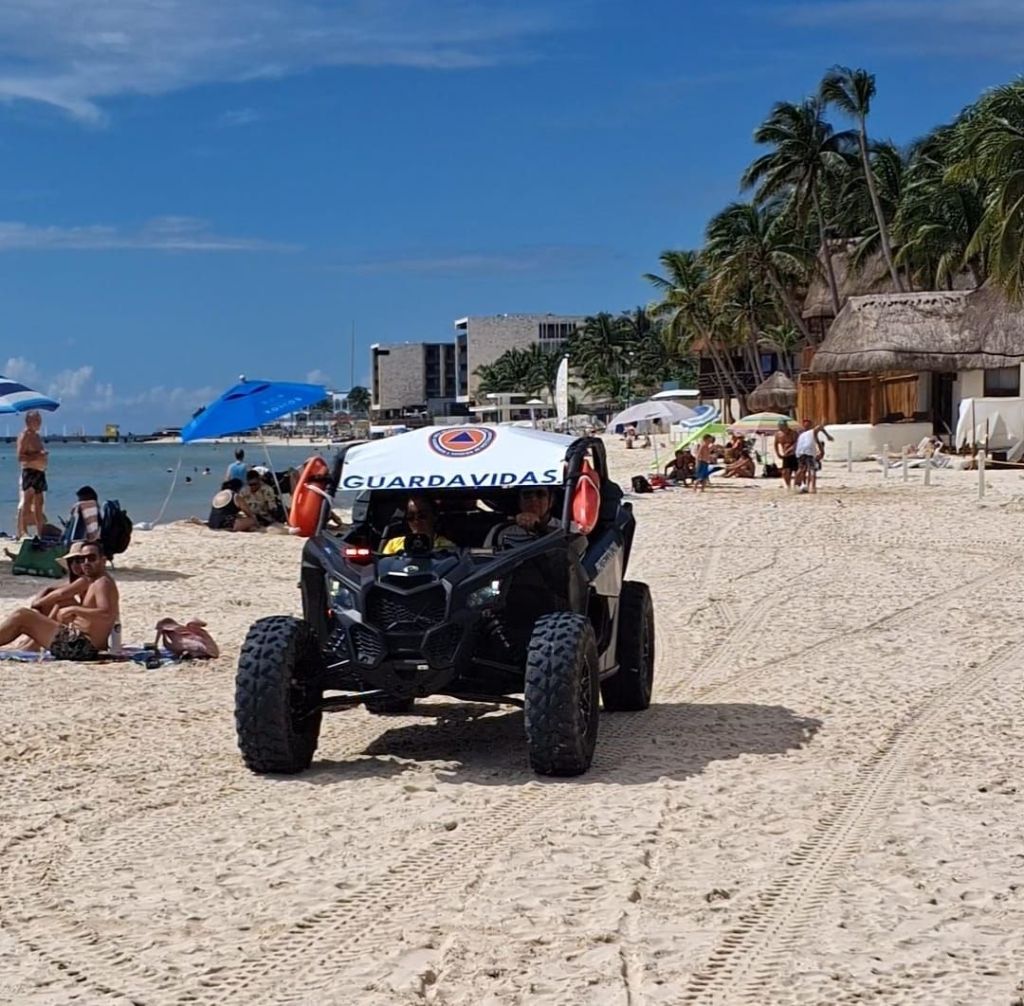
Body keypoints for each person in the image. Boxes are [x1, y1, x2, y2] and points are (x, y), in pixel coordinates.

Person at [0, 540, 119, 660]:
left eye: (92, 558)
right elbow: (59, 591)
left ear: (103, 560)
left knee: (22, 615)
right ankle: (30, 645)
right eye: (82, 559)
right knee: (59, 604)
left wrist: (74, 609)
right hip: (80, 643)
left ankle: (30, 645)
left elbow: (106, 613)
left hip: (81, 647)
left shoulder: (102, 583)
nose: (86, 562)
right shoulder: (95, 580)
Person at [486, 486, 561, 548]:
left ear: (551, 500)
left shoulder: (564, 528)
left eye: (540, 494)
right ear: (519, 501)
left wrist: (541, 528)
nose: (533, 499)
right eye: (527, 495)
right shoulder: (500, 531)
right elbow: (486, 558)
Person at [380, 495, 455, 554]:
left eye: (422, 516)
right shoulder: (393, 544)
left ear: (434, 517)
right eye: (411, 517)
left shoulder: (447, 547)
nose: (416, 521)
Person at [17, 410, 48, 539]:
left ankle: (40, 532)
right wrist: (38, 455)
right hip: (30, 471)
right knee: (27, 502)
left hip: (39, 472)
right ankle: (23, 531)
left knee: (39, 504)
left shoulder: (36, 436)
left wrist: (42, 457)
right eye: (37, 420)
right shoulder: (25, 436)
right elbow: (20, 457)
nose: (40, 422)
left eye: (40, 420)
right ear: (29, 421)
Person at [795, 419, 827, 494]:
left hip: (800, 452)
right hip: (808, 451)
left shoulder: (801, 435)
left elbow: (817, 441)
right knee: (812, 469)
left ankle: (797, 485)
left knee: (801, 469)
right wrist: (827, 435)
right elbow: (820, 427)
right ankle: (812, 487)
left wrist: (821, 451)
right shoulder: (812, 431)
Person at [774, 420, 798, 490]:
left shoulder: (793, 433)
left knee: (796, 470)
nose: (781, 428)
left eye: (782, 426)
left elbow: (796, 443)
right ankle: (788, 485)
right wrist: (778, 453)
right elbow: (775, 444)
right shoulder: (778, 434)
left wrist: (790, 449)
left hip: (794, 454)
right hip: (785, 454)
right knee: (785, 471)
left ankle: (797, 484)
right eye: (780, 426)